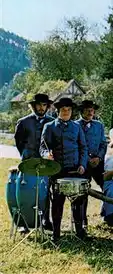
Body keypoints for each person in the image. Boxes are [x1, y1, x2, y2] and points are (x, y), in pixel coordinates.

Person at [40, 97, 88, 241]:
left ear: (72, 111)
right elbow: (43, 147)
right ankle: (56, 234)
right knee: (57, 203)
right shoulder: (49, 127)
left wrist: (82, 165)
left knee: (78, 203)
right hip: (57, 170)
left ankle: (79, 232)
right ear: (58, 111)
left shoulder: (76, 127)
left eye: (68, 110)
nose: (66, 112)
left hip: (75, 170)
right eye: (63, 110)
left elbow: (83, 148)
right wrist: (46, 155)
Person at [14, 93, 55, 232]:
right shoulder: (24, 122)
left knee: (45, 192)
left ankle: (45, 220)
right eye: (39, 105)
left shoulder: (52, 121)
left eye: (44, 105)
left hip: (45, 164)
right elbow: (18, 141)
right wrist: (25, 154)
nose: (41, 108)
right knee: (25, 192)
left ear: (47, 107)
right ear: (33, 106)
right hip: (28, 163)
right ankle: (24, 223)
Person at [76, 100, 107, 229]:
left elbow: (103, 143)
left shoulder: (98, 125)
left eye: (92, 110)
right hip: (83, 163)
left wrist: (99, 158)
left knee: (107, 186)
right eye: (87, 110)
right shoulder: (75, 125)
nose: (90, 112)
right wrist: (87, 159)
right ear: (81, 111)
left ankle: (108, 215)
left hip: (98, 162)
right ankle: (82, 220)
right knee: (82, 192)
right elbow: (75, 145)